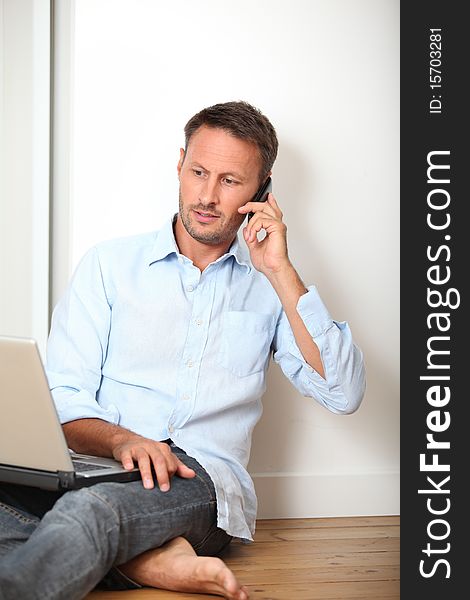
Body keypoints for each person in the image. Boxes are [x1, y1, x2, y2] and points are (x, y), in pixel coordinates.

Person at [0, 101, 365, 599]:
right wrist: (122, 441)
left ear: (263, 190)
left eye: (231, 181)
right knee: (69, 501)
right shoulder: (108, 265)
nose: (208, 196)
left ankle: (128, 549)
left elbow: (343, 393)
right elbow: (64, 392)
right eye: (198, 172)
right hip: (104, 462)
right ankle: (147, 560)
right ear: (179, 165)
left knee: (94, 511)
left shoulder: (273, 286)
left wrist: (280, 272)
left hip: (199, 480)